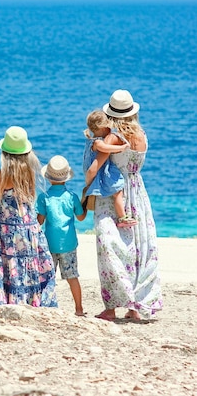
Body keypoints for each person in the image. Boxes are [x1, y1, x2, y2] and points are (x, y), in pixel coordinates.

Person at [85, 89, 163, 321]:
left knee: (110, 248)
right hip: (138, 193)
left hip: (113, 194)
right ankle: (135, 306)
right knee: (139, 247)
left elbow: (93, 170)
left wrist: (86, 187)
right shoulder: (142, 135)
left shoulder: (112, 138)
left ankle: (111, 307)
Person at [0, 126, 57, 307]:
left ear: (5, 153)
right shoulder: (29, 171)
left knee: (13, 266)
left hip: (11, 231)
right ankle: (33, 302)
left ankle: (14, 303)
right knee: (29, 265)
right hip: (30, 228)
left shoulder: (4, 175)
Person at [36, 155, 86, 316]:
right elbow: (81, 217)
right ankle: (79, 309)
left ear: (49, 178)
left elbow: (40, 220)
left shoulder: (44, 197)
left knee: (47, 277)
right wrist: (85, 202)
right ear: (66, 178)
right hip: (69, 243)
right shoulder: (72, 197)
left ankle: (44, 306)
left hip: (49, 243)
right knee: (72, 277)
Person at [82, 110, 135, 227]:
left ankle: (122, 217)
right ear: (101, 128)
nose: (110, 129)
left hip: (97, 170)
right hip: (99, 171)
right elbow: (106, 148)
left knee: (117, 192)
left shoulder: (91, 141)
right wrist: (122, 147)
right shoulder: (97, 143)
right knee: (118, 190)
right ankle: (122, 217)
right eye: (108, 127)